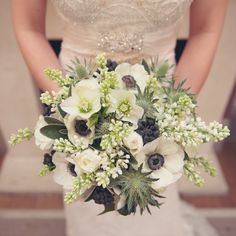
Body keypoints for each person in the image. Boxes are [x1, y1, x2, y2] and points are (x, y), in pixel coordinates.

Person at [11, 0, 228, 235]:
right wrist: (71, 110)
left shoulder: (164, 117)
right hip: (80, 108)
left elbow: (206, 31)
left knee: (155, 203)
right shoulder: (76, 113)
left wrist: (170, 115)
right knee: (90, 209)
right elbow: (28, 28)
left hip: (160, 108)